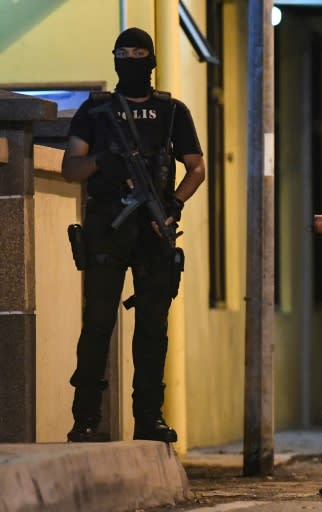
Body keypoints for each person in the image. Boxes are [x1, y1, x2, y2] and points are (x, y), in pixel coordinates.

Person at [61, 27, 205, 443]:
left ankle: (148, 417)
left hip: (153, 231)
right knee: (98, 324)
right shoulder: (96, 111)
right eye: (123, 53)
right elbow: (73, 168)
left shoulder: (172, 112)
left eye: (138, 53)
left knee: (152, 329)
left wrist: (173, 205)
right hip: (108, 227)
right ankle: (86, 418)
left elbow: (196, 166)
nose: (131, 60)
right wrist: (106, 160)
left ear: (152, 60)